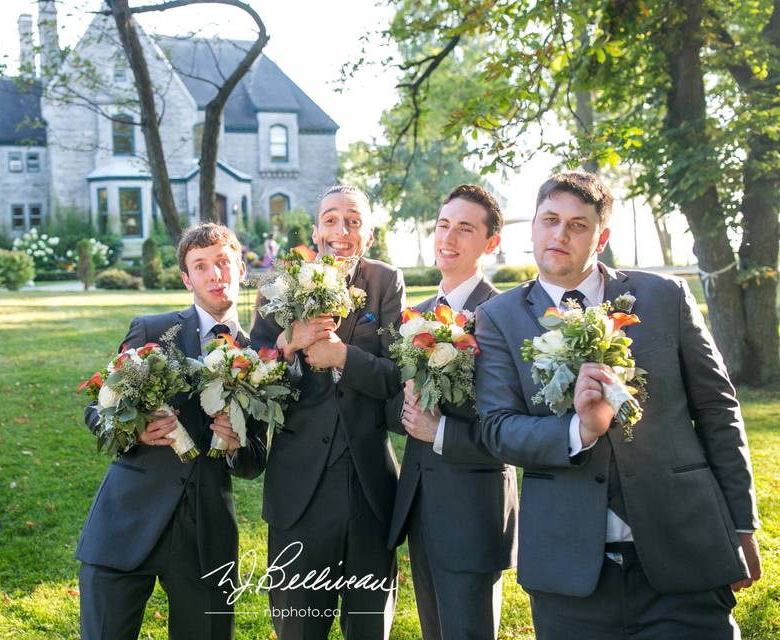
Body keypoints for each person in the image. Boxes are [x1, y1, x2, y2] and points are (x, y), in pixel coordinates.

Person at [474, 171, 761, 639]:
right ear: (532, 229)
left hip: (684, 550)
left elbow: (717, 410)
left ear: (601, 237)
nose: (559, 234)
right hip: (571, 572)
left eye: (577, 225)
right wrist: (579, 432)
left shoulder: (665, 297)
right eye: (549, 220)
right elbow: (497, 429)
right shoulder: (498, 319)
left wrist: (742, 526)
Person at [76, 223, 268, 640]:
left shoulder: (260, 355)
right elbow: (97, 411)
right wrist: (136, 429)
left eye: (222, 262)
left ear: (240, 266)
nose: (215, 274)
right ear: (186, 278)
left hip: (205, 536)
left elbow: (256, 460)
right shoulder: (150, 330)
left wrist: (236, 446)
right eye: (201, 266)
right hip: (127, 520)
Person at [251, 185, 405, 640]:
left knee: (368, 627)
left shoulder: (384, 283)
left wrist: (344, 359)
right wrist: (286, 344)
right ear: (316, 230)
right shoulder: (278, 284)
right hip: (299, 490)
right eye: (332, 219)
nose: (342, 230)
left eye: (353, 221)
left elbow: (398, 377)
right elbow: (252, 376)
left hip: (369, 488)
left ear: (369, 234)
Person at [388, 185, 517, 640]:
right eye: (443, 225)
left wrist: (438, 431)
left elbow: (514, 430)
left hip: (473, 510)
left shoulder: (504, 316)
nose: (449, 237)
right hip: (420, 505)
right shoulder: (414, 316)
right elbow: (396, 407)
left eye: (465, 228)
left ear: (490, 243)